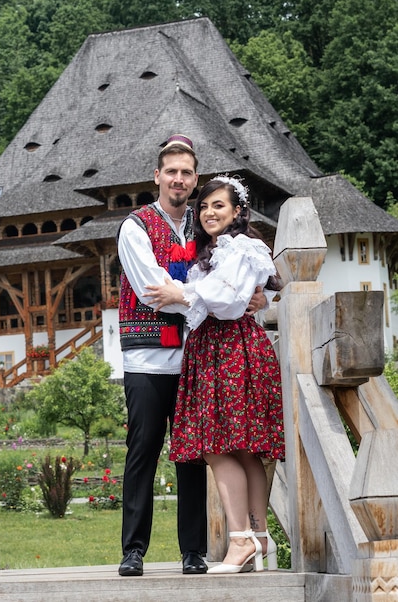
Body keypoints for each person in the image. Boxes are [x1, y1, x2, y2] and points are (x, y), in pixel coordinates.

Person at [117, 136, 268, 577]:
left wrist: (248, 299)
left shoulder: (207, 229)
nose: (178, 179)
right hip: (147, 355)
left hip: (196, 357)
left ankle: (194, 551)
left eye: (186, 173)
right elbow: (153, 288)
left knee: (192, 453)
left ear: (195, 179)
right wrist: (221, 300)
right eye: (171, 172)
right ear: (158, 176)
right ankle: (134, 550)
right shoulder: (137, 226)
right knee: (143, 448)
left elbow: (234, 278)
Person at [143, 175, 285, 574]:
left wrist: (181, 294)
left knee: (217, 445)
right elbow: (254, 292)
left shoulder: (241, 246)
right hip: (219, 347)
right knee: (241, 447)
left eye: (218, 206)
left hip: (229, 348)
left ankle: (241, 539)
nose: (208, 213)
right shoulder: (220, 250)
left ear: (238, 211)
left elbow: (229, 299)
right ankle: (257, 539)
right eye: (203, 207)